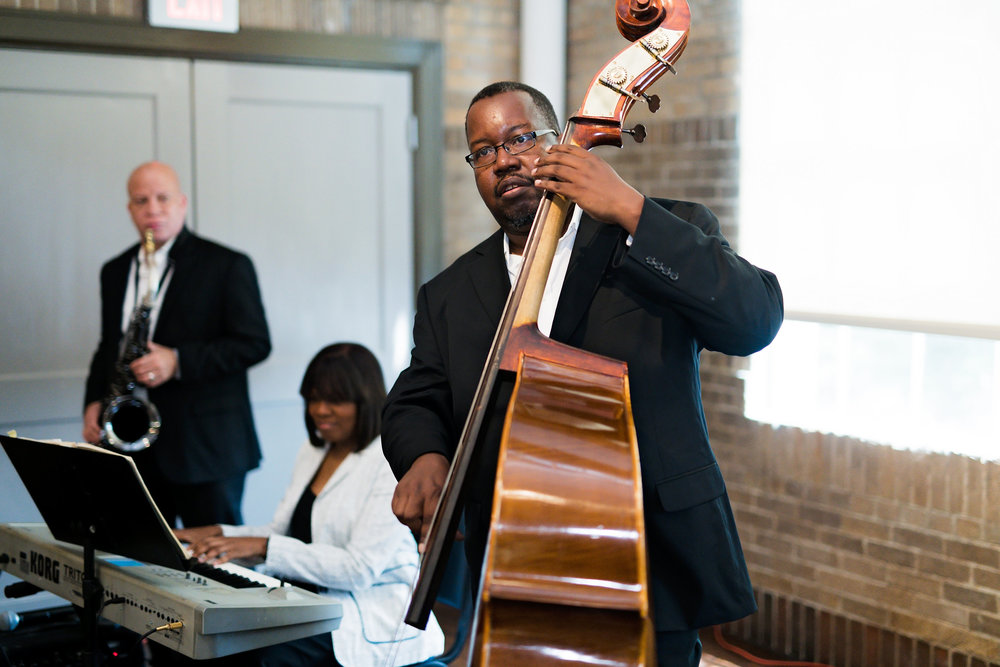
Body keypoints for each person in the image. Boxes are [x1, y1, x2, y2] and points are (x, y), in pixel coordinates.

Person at [382, 81, 784, 667]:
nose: (505, 159)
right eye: (484, 150)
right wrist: (424, 455)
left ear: (561, 143)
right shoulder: (448, 293)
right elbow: (417, 397)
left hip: (647, 559)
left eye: (520, 138)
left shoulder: (652, 233)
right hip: (513, 568)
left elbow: (754, 319)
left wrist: (629, 208)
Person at [176, 343, 445, 667]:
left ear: (365, 400)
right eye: (313, 399)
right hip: (308, 600)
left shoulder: (389, 462)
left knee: (261, 654)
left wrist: (262, 547)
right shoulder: (314, 449)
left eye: (334, 400)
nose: (320, 410)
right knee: (212, 635)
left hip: (368, 611)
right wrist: (218, 533)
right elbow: (281, 531)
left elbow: (358, 569)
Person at [83, 161, 270, 527]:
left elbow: (255, 343)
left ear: (182, 203)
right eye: (141, 200)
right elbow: (110, 345)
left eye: (163, 198)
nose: (152, 209)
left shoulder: (227, 264)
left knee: (214, 570)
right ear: (129, 209)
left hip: (208, 450)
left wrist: (178, 361)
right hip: (135, 447)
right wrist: (93, 400)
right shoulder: (115, 270)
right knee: (144, 564)